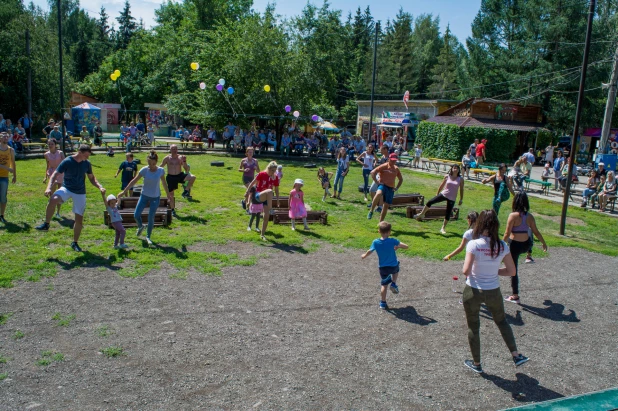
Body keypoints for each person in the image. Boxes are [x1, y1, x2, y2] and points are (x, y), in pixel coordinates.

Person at [461, 209, 529, 374]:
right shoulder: (502, 245)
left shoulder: (474, 244)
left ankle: (477, 363)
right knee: (502, 321)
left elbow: (466, 271)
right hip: (493, 290)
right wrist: (494, 271)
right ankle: (516, 354)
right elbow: (511, 271)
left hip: (473, 290)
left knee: (473, 327)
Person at [35, 145, 105, 252]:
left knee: (79, 219)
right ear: (80, 153)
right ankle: (46, 224)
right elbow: (54, 175)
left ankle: (75, 242)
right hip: (67, 188)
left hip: (80, 192)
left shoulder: (87, 164)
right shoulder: (68, 161)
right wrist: (49, 188)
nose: (88, 158)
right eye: (86, 155)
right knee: (53, 199)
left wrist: (100, 186)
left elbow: (91, 178)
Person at [502, 192, 548, 304]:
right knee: (530, 232)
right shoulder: (530, 216)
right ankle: (529, 255)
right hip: (526, 244)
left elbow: (507, 233)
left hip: (515, 246)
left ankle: (515, 295)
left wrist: (500, 245)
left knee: (513, 271)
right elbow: (536, 232)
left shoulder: (512, 216)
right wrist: (543, 243)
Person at [119, 150, 172, 246]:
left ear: (156, 162)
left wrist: (168, 194)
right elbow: (133, 181)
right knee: (136, 215)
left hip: (155, 197)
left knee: (150, 217)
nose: (151, 166)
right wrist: (125, 191)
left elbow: (164, 183)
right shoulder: (144, 170)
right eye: (149, 163)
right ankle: (140, 226)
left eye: (153, 163)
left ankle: (148, 236)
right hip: (144, 195)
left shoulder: (160, 170)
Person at [361, 221, 409, 310]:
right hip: (393, 265)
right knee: (396, 270)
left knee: (384, 285)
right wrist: (398, 246)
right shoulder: (393, 241)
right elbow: (406, 246)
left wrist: (364, 255)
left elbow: (370, 251)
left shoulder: (375, 242)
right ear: (389, 232)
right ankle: (394, 283)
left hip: (383, 267)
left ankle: (382, 303)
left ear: (379, 231)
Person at [415, 165, 465, 234]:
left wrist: (461, 199)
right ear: (452, 169)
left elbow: (461, 189)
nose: (455, 169)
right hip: (444, 194)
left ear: (459, 170)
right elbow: (442, 185)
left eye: (457, 168)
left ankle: (443, 228)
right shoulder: (447, 176)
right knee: (430, 201)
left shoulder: (460, 179)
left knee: (448, 212)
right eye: (454, 168)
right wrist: (437, 193)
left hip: (452, 198)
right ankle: (422, 214)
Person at [244, 161, 280, 240]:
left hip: (267, 199)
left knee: (266, 217)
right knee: (270, 191)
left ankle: (262, 234)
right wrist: (247, 192)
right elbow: (252, 183)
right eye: (272, 170)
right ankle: (271, 209)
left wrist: (277, 200)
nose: (273, 172)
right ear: (268, 168)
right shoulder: (262, 174)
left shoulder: (275, 177)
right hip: (259, 195)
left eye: (274, 171)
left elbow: (277, 189)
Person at [161, 144, 197, 215]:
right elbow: (161, 166)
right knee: (171, 195)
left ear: (177, 150)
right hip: (171, 177)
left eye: (175, 149)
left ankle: (186, 192)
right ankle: (172, 210)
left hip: (179, 175)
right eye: (173, 149)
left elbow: (186, 169)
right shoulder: (167, 158)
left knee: (193, 177)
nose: (174, 150)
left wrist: (184, 161)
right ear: (170, 150)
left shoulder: (180, 157)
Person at [368, 153, 403, 222]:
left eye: (395, 161)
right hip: (383, 185)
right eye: (392, 160)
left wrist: (396, 188)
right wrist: (376, 181)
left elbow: (401, 179)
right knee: (378, 194)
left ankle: (380, 223)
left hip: (391, 188)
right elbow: (372, 172)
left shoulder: (396, 169)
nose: (393, 162)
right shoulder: (384, 166)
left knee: (386, 206)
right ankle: (371, 210)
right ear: (389, 159)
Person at [43, 139, 65, 218]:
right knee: (52, 193)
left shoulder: (60, 153)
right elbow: (47, 165)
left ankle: (58, 212)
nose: (50, 146)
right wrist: (45, 177)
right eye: (49, 144)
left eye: (52, 144)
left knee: (60, 192)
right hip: (52, 172)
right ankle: (50, 210)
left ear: (55, 145)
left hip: (60, 172)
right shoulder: (46, 154)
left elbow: (65, 163)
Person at [0, 132, 17, 223]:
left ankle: (2, 215)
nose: (6, 138)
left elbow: (13, 163)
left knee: (3, 197)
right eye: (3, 137)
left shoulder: (11, 150)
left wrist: (14, 176)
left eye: (7, 136)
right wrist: (7, 168)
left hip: (4, 177)